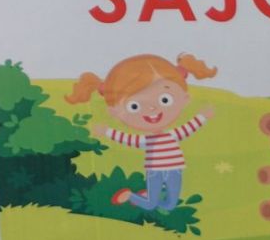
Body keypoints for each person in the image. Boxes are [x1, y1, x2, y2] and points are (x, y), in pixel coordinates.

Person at [67, 53, 217, 213]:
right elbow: (128, 139)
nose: (152, 109)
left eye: (165, 99)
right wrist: (106, 131)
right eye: (134, 106)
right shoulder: (147, 141)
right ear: (114, 112)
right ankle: (131, 196)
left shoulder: (173, 135)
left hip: (175, 170)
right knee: (151, 205)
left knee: (170, 205)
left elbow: (189, 128)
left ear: (184, 98)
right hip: (154, 173)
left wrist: (203, 116)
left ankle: (146, 196)